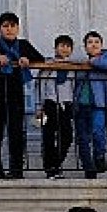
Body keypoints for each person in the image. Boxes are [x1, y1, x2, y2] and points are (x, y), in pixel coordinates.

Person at [0, 12, 45, 179]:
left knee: (16, 132)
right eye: (5, 26)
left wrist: (26, 58)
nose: (9, 29)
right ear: (0, 28)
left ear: (17, 28)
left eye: (12, 26)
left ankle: (17, 170)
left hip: (15, 95)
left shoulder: (23, 45)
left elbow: (40, 58)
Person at [73, 32, 107, 180]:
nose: (93, 44)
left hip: (99, 104)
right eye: (90, 42)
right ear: (85, 46)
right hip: (81, 104)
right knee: (82, 138)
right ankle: (89, 168)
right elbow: (67, 61)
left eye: (96, 42)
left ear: (101, 45)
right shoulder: (82, 60)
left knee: (98, 131)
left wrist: (94, 62)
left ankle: (100, 157)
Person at [35, 35, 77, 180]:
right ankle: (50, 169)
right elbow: (40, 86)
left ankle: (56, 163)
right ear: (55, 48)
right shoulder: (48, 66)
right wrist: (39, 106)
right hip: (50, 104)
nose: (64, 49)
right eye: (61, 45)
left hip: (67, 104)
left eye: (67, 46)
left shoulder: (73, 67)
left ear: (71, 50)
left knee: (67, 136)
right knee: (48, 137)